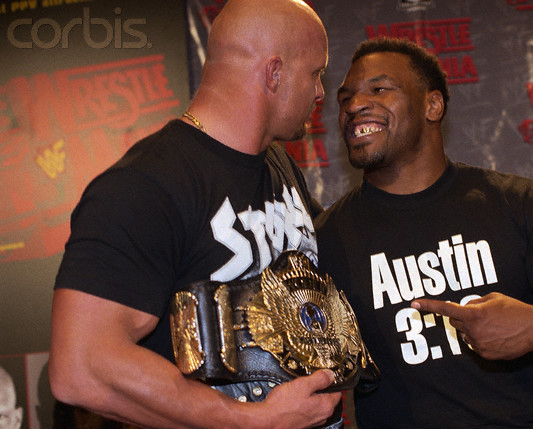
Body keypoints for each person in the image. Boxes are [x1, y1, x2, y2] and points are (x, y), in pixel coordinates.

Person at [49, 0, 344, 428]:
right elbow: (81, 367)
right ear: (274, 73)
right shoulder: (145, 185)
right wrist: (255, 422)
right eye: (315, 73)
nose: (320, 92)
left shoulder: (278, 165)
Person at [314, 36, 533, 428]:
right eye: (345, 98)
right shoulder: (326, 240)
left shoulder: (518, 203)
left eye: (379, 89)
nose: (355, 105)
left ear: (433, 105)